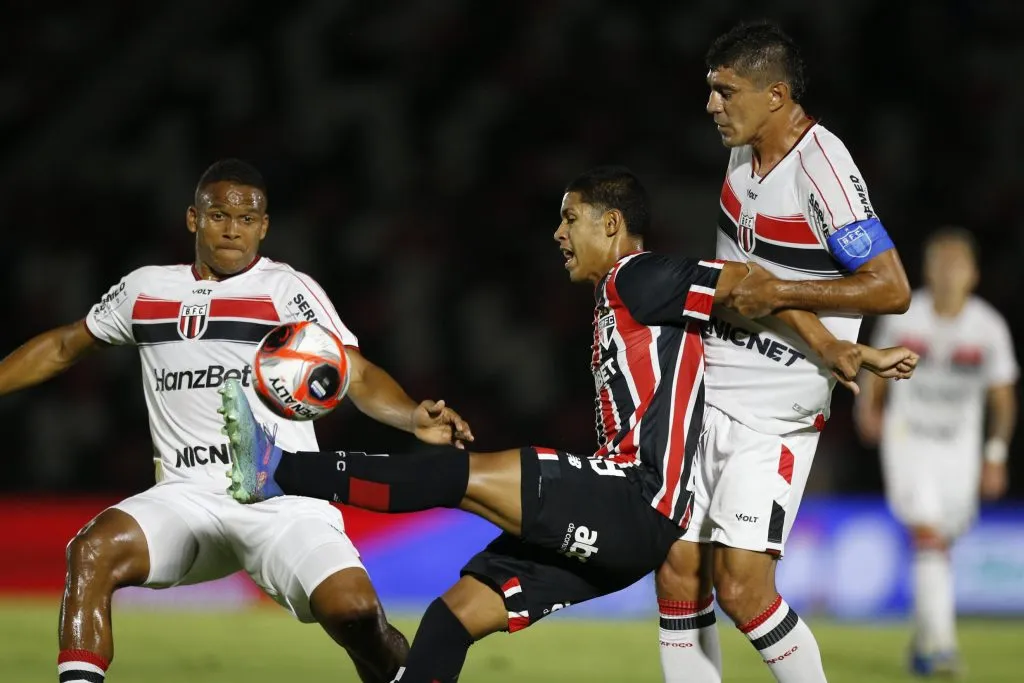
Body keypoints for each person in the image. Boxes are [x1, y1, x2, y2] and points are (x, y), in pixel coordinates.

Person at [218, 166, 916, 683]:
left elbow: (746, 285)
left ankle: (278, 471)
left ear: (609, 225)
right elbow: (742, 298)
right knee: (451, 615)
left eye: (570, 217)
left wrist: (830, 342)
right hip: (620, 523)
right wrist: (825, 342)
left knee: (458, 474)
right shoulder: (618, 296)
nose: (558, 232)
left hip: (635, 495)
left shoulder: (639, 276)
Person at [0, 158, 473, 683]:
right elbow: (66, 345)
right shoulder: (146, 290)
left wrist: (411, 416)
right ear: (192, 219)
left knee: (357, 615)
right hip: (186, 498)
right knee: (90, 551)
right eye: (219, 215)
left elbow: (355, 374)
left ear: (264, 227)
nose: (232, 229)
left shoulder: (286, 290)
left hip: (282, 497)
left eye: (246, 220)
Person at [652, 21, 916, 683]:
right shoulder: (742, 154)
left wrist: (787, 297)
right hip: (711, 389)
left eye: (724, 91)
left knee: (743, 589)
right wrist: (828, 339)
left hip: (775, 414)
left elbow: (891, 286)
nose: (711, 105)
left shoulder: (822, 166)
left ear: (775, 95)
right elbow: (747, 283)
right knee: (677, 568)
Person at [855, 227, 1018, 676]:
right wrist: (868, 410)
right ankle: (944, 647)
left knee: (941, 542)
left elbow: (1002, 397)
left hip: (960, 448)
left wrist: (995, 455)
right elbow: (875, 369)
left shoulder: (988, 327)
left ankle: (924, 641)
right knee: (926, 534)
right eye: (940, 264)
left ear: (973, 274)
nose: (947, 274)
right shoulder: (907, 318)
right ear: (926, 270)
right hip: (909, 438)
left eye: (957, 265)